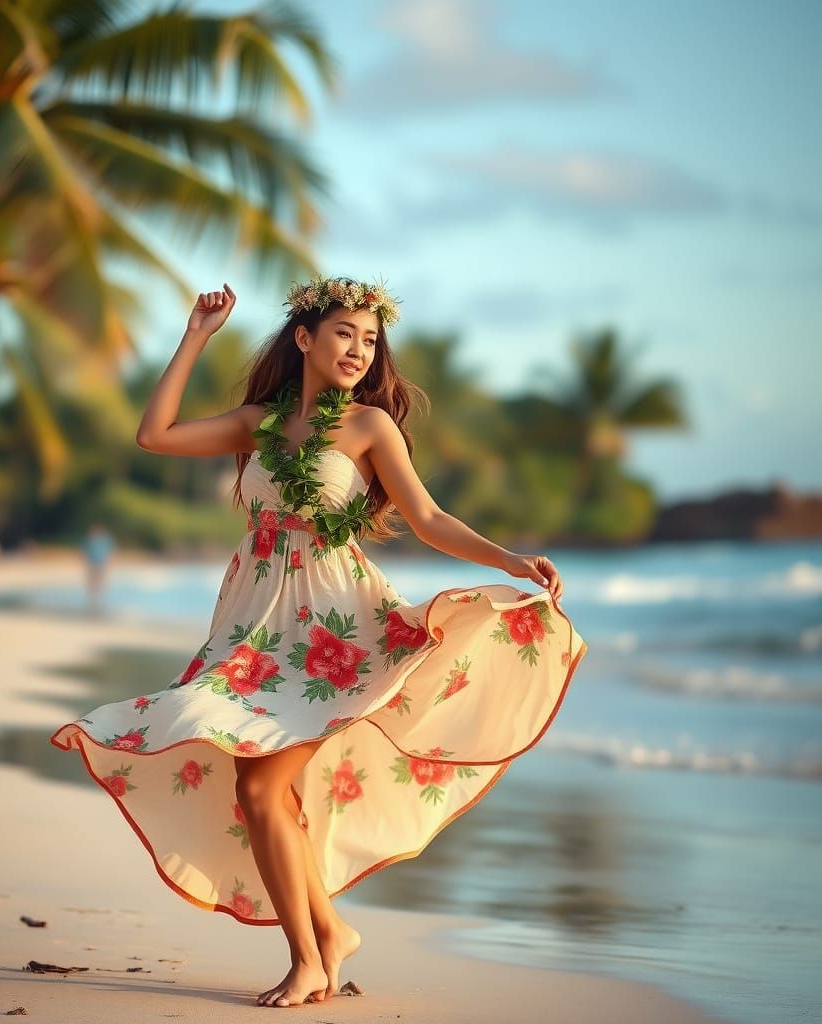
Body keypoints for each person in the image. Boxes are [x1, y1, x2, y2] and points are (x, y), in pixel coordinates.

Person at [50, 274, 588, 1008]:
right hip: (254, 633)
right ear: (304, 338)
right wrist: (195, 338)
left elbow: (427, 518)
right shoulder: (257, 423)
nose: (359, 351)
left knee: (261, 786)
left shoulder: (370, 428)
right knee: (254, 780)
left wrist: (511, 561)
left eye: (370, 340)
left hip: (336, 634)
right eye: (344, 334)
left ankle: (308, 958)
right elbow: (155, 435)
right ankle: (328, 936)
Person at [81, 522, 115, 614]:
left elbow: (109, 551)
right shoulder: (89, 539)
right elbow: (85, 550)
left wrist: (108, 561)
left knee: (99, 580)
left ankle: (98, 597)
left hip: (100, 562)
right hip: (93, 562)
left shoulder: (105, 539)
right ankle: (93, 598)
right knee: (92, 580)